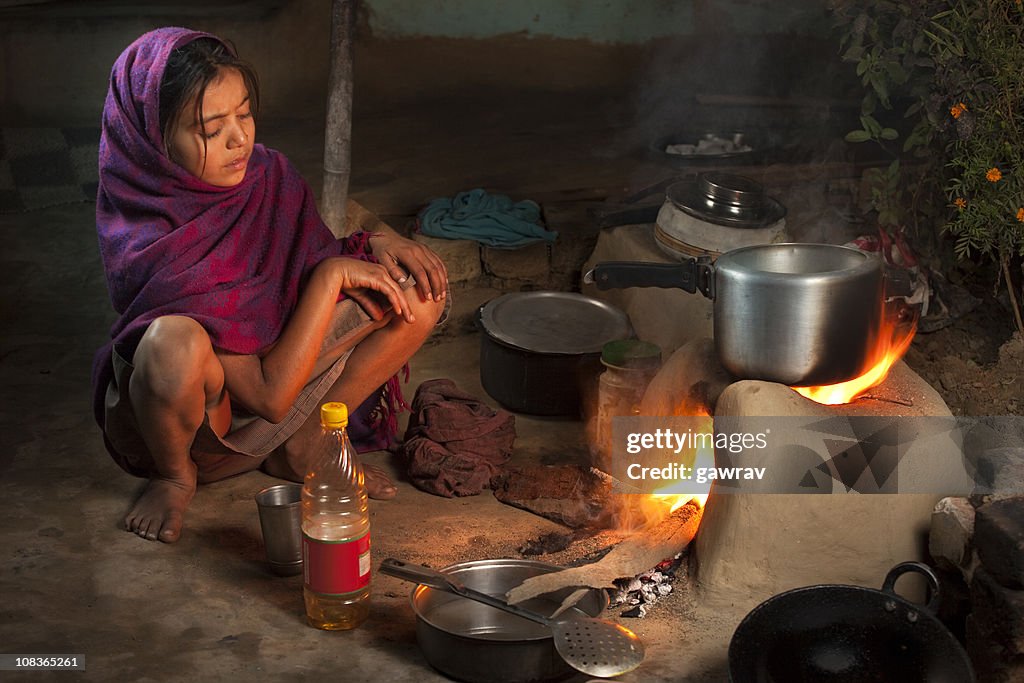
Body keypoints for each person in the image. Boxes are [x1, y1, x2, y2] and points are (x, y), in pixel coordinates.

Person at [91, 27, 448, 543]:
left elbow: (310, 259)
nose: (241, 139)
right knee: (173, 343)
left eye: (244, 113)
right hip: (205, 433)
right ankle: (174, 478)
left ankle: (308, 443)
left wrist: (371, 243)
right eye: (212, 129)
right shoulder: (150, 230)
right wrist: (331, 278)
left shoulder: (267, 174)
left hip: (281, 383)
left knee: (417, 289)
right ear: (152, 140)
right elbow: (268, 396)